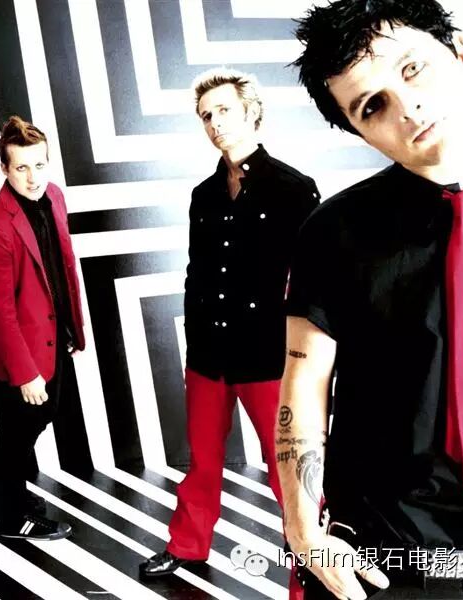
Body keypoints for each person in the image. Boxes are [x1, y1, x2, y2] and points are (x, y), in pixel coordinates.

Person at [279, 1, 463, 598]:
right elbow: (304, 381)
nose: (407, 108)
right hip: (385, 559)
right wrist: (303, 530)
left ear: (462, 54)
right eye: (372, 106)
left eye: (413, 69)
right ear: (358, 130)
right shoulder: (332, 232)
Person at [139, 69, 320, 583]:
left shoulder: (294, 188)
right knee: (202, 460)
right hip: (208, 354)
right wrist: (195, 333)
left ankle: (312, 556)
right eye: (206, 116)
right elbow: (197, 270)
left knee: (288, 464)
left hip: (267, 355)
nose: (214, 122)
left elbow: (313, 281)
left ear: (251, 112)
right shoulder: (204, 194)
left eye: (223, 110)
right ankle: (187, 545)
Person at [0, 116, 86, 541]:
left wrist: (72, 328)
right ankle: (6, 515)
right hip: (20, 351)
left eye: (39, 165)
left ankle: (9, 495)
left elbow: (61, 265)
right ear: (4, 168)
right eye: (21, 167)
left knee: (42, 416)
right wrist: (25, 374)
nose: (33, 177)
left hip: (53, 336)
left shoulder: (54, 196)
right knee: (18, 430)